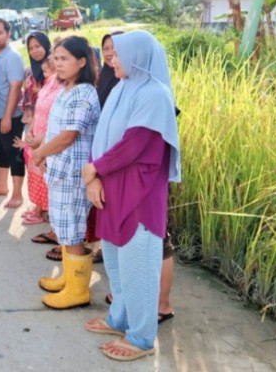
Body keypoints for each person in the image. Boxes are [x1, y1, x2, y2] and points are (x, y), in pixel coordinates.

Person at [81, 30, 181, 361]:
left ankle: (140, 336)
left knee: (139, 264)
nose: (112, 58)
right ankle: (119, 318)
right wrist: (94, 174)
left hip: (137, 190)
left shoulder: (154, 94)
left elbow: (134, 144)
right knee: (116, 259)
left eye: (119, 54)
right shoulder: (123, 87)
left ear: (138, 56)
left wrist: (95, 169)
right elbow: (102, 136)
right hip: (111, 183)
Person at [31, 37, 101, 310]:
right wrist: (42, 148)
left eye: (64, 59)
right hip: (60, 170)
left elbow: (68, 135)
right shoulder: (65, 87)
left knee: (72, 232)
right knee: (62, 228)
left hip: (73, 173)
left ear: (82, 62)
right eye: (56, 59)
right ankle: (68, 279)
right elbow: (54, 130)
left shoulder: (85, 92)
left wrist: (40, 153)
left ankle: (78, 291)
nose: (57, 64)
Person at [15, 56, 63, 229]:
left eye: (48, 70)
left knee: (44, 175)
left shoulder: (63, 87)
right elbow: (38, 109)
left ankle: (45, 211)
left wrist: (40, 138)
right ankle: (39, 207)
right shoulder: (49, 84)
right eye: (44, 71)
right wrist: (31, 131)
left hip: (47, 139)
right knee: (35, 173)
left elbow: (56, 120)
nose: (45, 74)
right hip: (37, 134)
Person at [0, 19, 26, 208]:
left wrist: (7, 116)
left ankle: (17, 194)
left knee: (14, 154)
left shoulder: (13, 57)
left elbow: (15, 87)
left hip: (10, 116)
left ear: (8, 35)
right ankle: (2, 186)